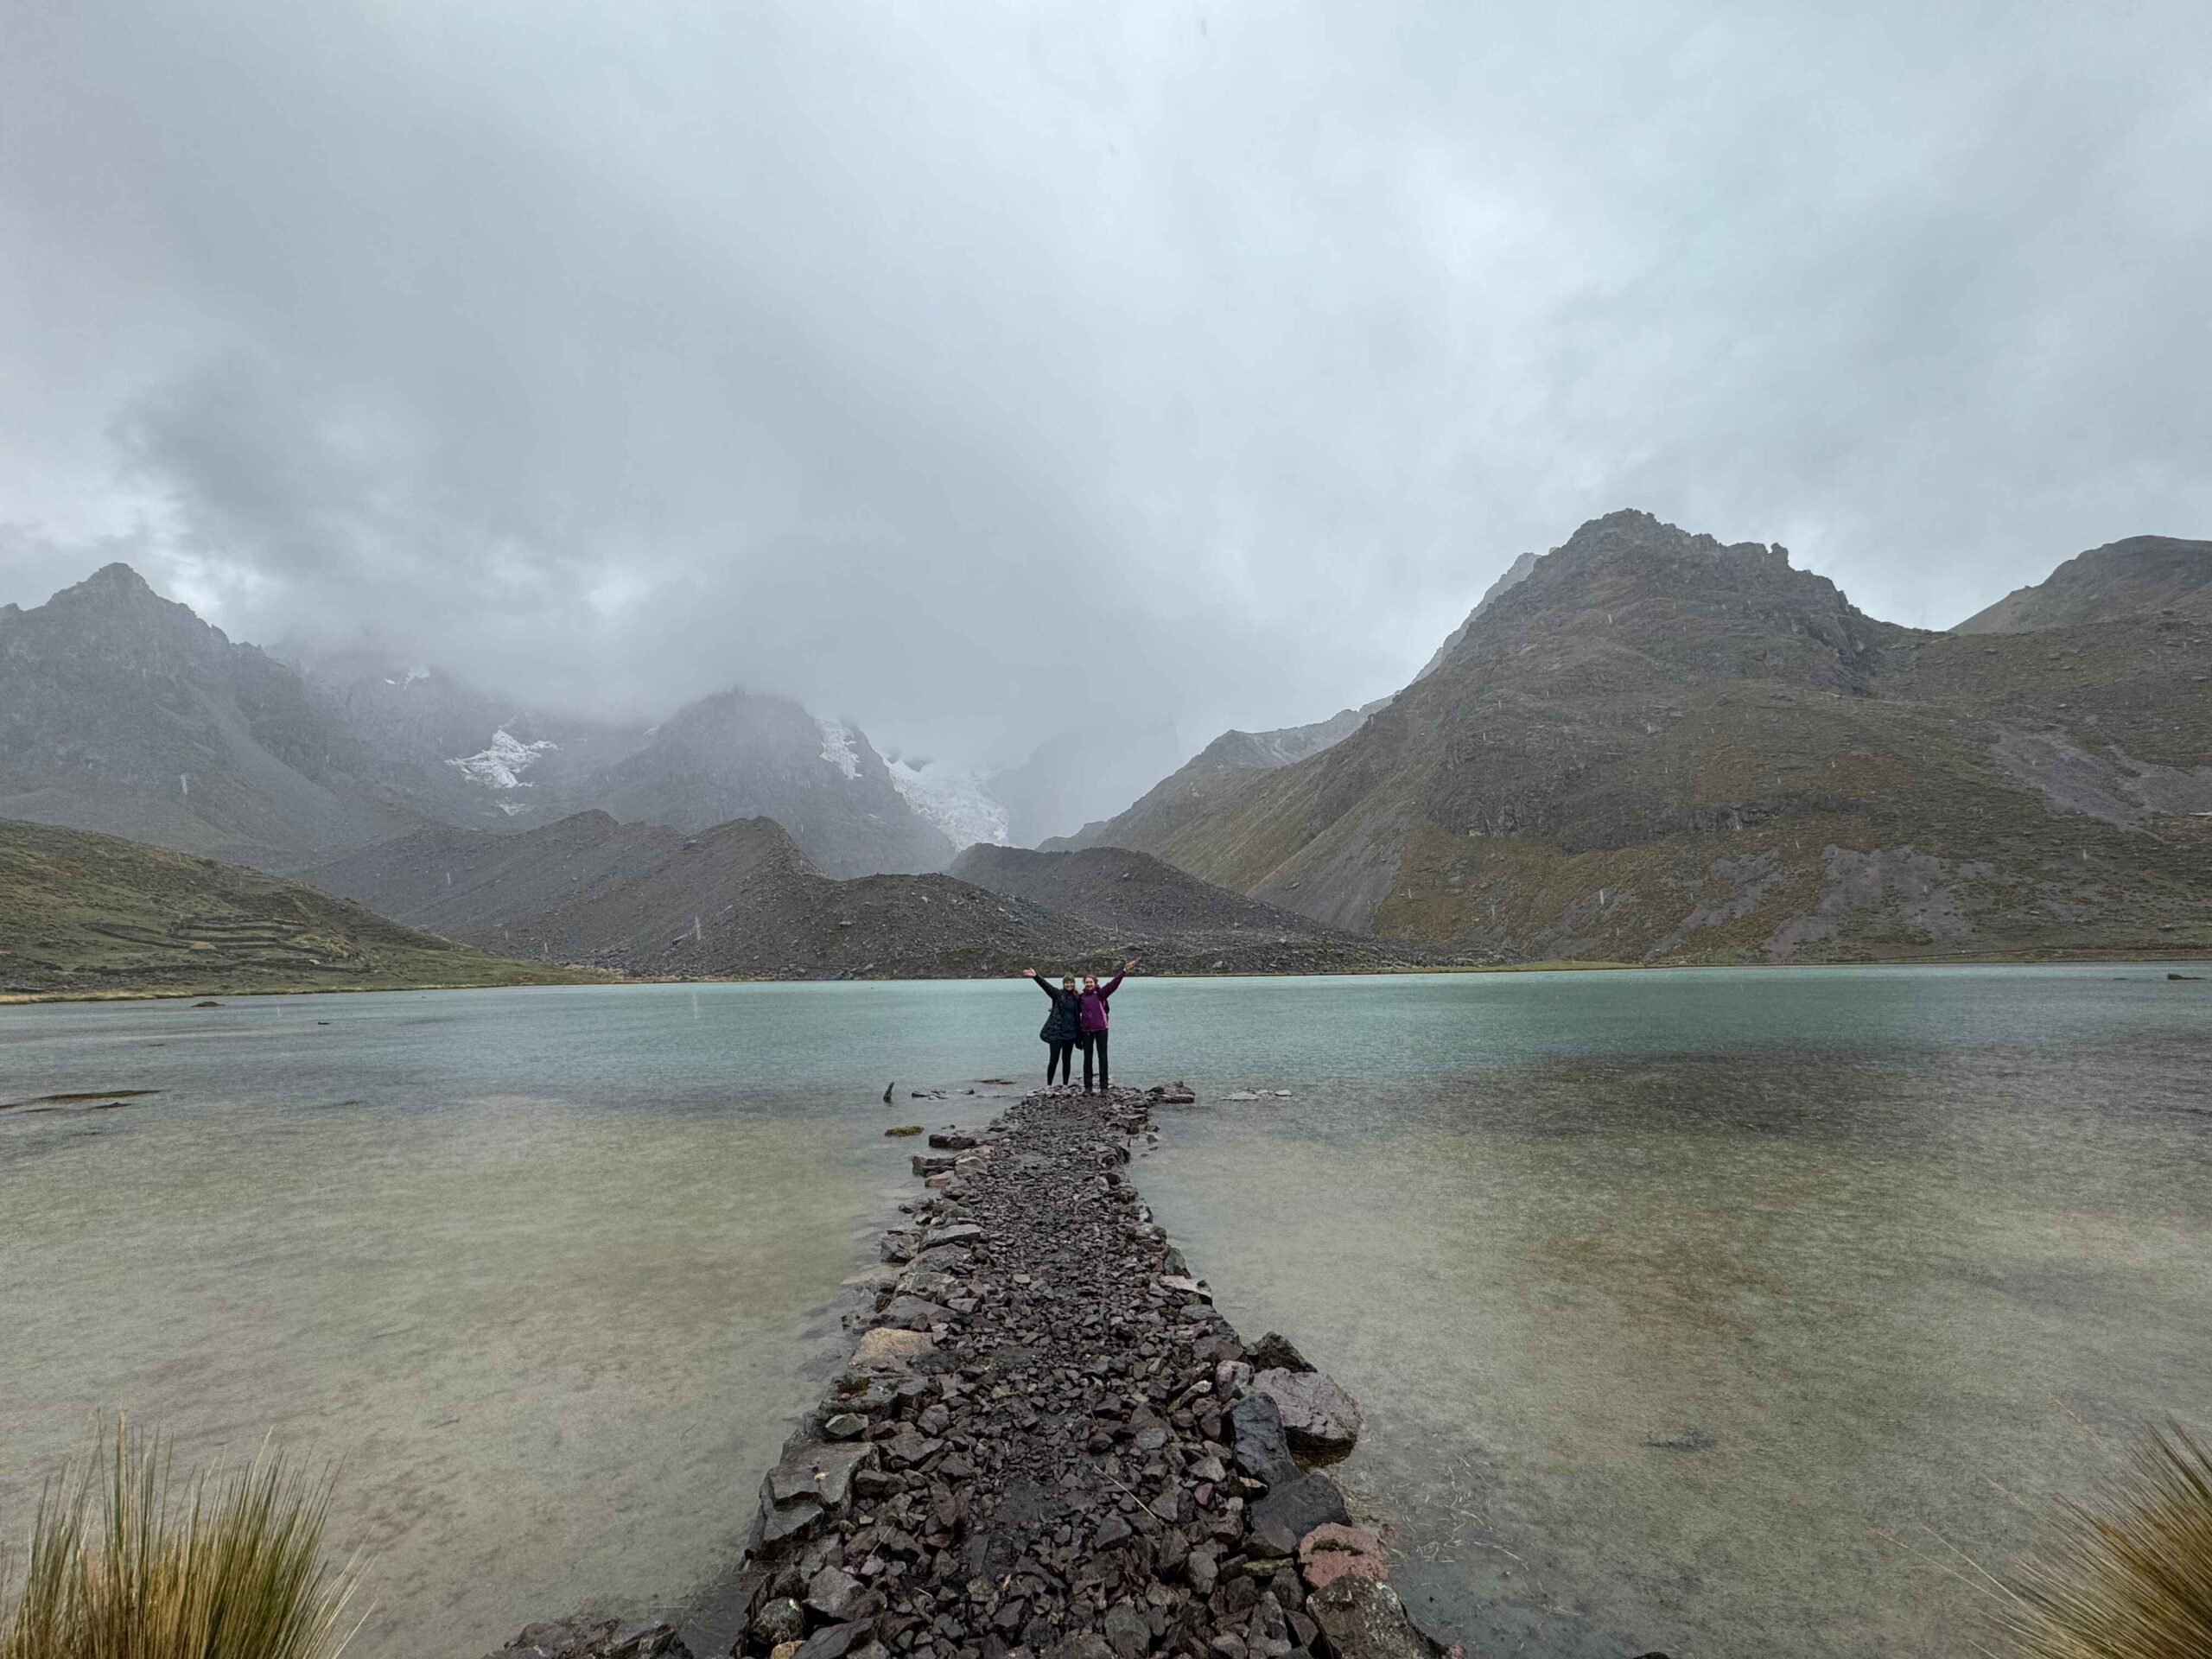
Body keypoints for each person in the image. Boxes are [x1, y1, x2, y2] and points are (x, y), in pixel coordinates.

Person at [1077, 960, 1137, 1093]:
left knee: (1102, 1057)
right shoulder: (1080, 997)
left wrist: (1124, 971)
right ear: (1084, 984)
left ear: (1095, 983)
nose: (1089, 984)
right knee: (1087, 1058)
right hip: (1086, 1030)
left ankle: (1104, 1087)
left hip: (1101, 1029)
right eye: (1087, 982)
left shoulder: (1101, 994)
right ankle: (1088, 1087)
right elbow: (1072, 1009)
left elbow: (1113, 984)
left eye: (1091, 982)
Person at [1020, 967, 1084, 1088]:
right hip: (1057, 1034)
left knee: (1067, 1061)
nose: (1069, 984)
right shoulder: (1058, 994)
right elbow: (1046, 986)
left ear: (1074, 984)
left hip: (1070, 1035)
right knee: (1053, 1060)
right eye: (1067, 982)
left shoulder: (1077, 998)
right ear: (1064, 984)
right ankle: (1049, 1085)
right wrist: (1036, 976)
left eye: (1071, 982)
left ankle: (1065, 1085)